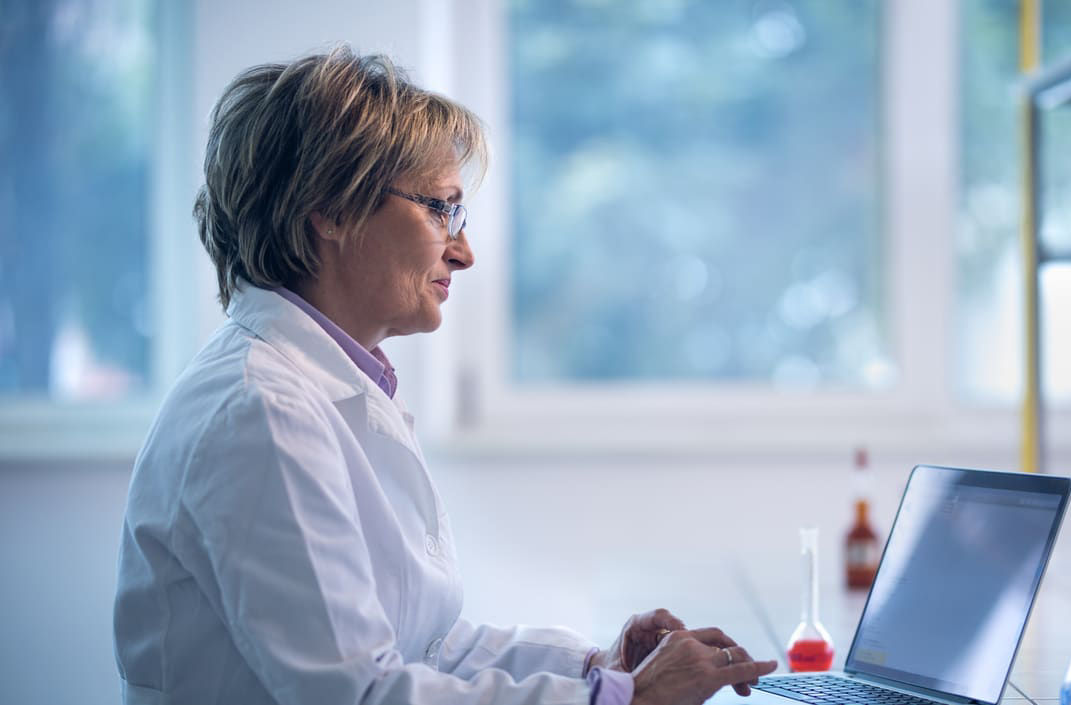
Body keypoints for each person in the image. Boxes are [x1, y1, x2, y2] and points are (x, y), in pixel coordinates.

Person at [112, 46, 776, 705]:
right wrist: (625, 699)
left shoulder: (322, 387)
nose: (463, 250)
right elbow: (359, 693)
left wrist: (601, 667)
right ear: (332, 209)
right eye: (441, 209)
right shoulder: (260, 411)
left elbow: (428, 646)